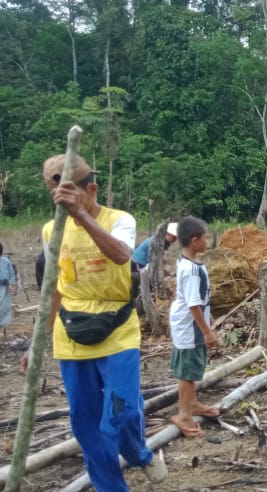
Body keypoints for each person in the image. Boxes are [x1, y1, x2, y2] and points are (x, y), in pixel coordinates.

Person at [21, 154, 165, 490]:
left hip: (116, 327)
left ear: (92, 189)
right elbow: (53, 288)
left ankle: (138, 453)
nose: (64, 202)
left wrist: (81, 215)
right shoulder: (50, 230)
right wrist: (36, 342)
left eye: (72, 193)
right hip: (70, 333)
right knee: (85, 423)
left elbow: (120, 255)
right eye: (56, 194)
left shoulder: (120, 220)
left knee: (122, 411)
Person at [168, 217, 220, 438]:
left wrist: (207, 323)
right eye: (205, 237)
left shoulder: (191, 263)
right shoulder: (190, 270)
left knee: (192, 368)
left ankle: (193, 404)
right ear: (194, 240)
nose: (207, 241)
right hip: (188, 327)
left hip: (191, 324)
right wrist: (207, 331)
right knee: (187, 374)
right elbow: (193, 304)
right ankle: (184, 415)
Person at [0, 241, 15, 332]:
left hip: (4, 290)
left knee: (4, 309)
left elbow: (11, 274)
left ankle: (3, 330)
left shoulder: (5, 261)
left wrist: (11, 284)